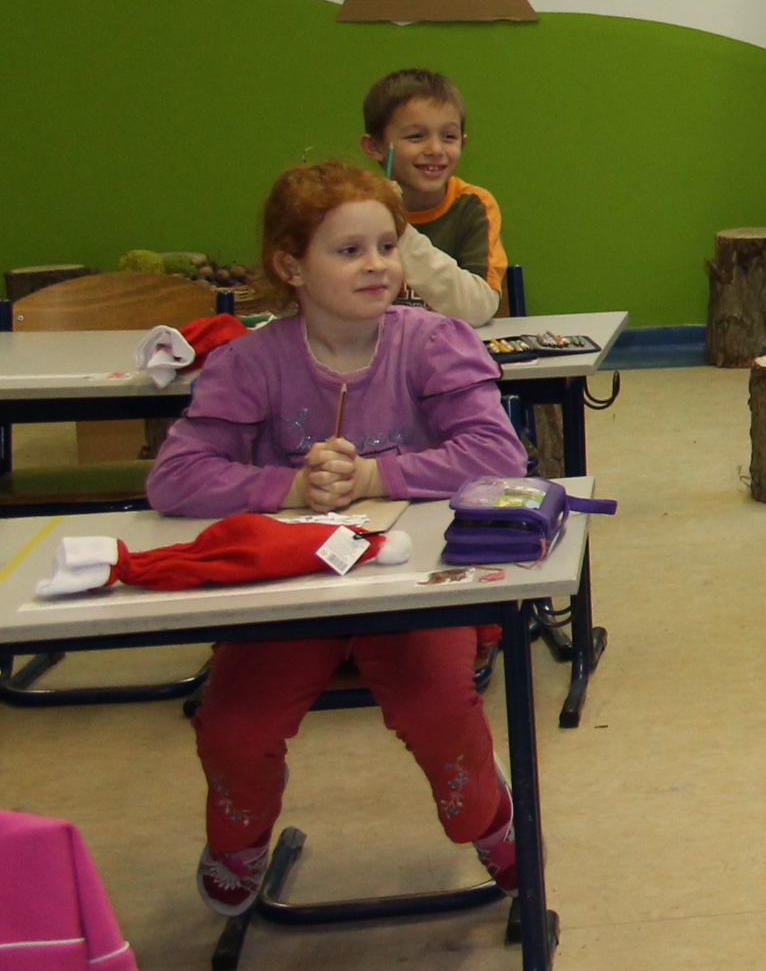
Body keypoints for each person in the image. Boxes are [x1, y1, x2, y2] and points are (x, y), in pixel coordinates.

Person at [148, 160, 534, 918]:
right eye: (349, 251)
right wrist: (290, 489)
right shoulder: (250, 362)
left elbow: (500, 457)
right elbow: (175, 478)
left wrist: (376, 476)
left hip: (411, 589)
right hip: (289, 593)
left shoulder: (434, 341)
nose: (377, 265)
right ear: (291, 266)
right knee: (233, 725)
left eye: (387, 246)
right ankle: (240, 838)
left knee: (438, 711)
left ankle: (489, 819)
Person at [358, 67, 503, 324]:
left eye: (449, 137)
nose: (435, 149)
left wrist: (399, 229)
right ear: (374, 146)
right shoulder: (351, 209)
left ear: (462, 143)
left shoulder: (473, 205)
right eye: (416, 136)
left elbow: (479, 307)